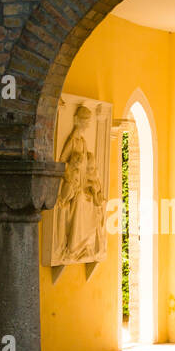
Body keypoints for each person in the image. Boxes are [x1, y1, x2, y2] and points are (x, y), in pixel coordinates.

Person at [54, 104, 105, 261]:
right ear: (79, 121)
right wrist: (72, 169)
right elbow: (62, 161)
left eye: (89, 121)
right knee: (80, 201)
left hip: (82, 185)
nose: (88, 124)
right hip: (73, 185)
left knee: (91, 203)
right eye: (86, 121)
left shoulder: (82, 142)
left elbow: (88, 163)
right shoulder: (73, 141)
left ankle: (87, 244)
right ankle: (75, 245)